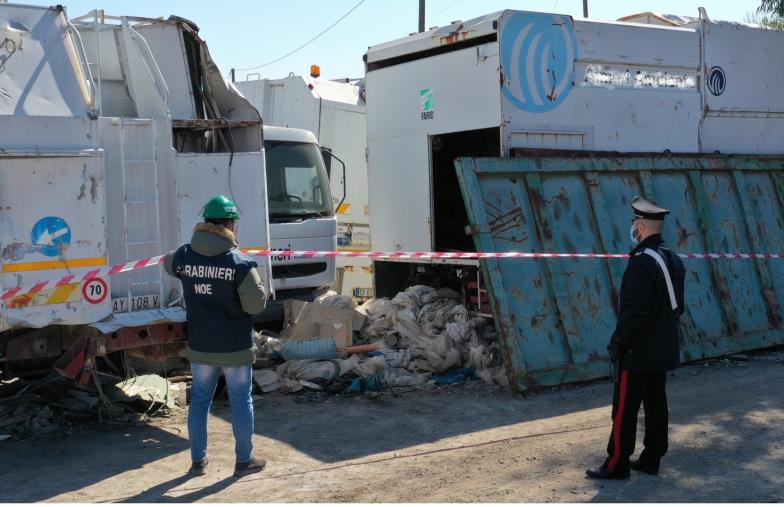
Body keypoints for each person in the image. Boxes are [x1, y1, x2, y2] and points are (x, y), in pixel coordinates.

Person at [164, 194, 268, 477]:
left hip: (201, 346)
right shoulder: (240, 263)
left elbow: (167, 263)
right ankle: (243, 460)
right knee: (240, 399)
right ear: (231, 225)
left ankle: (198, 462)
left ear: (206, 223)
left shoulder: (185, 255)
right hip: (234, 346)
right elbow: (256, 305)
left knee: (199, 401)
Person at [586, 196, 685, 480]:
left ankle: (616, 463)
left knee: (624, 409)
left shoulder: (642, 261)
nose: (633, 227)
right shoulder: (672, 259)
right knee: (656, 405)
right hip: (663, 347)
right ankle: (652, 458)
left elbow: (634, 312)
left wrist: (619, 341)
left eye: (634, 223)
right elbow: (679, 307)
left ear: (640, 226)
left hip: (638, 350)